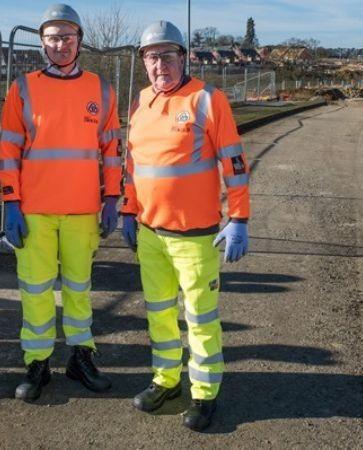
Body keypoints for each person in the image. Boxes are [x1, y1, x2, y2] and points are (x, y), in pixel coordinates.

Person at [121, 20, 250, 431]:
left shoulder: (207, 100)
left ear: (184, 57)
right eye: (152, 56)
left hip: (195, 237)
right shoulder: (140, 102)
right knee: (159, 314)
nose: (161, 64)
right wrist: (128, 209)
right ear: (144, 62)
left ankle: (204, 394)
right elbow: (132, 166)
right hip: (150, 233)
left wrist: (239, 218)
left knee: (199, 318)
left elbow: (234, 163)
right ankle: (166, 381)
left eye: (168, 55)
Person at [0, 3, 121, 402]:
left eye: (67, 37)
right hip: (34, 210)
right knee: (34, 289)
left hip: (83, 209)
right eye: (52, 37)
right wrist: (10, 202)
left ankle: (81, 356)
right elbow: (8, 150)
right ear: (42, 43)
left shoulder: (101, 90)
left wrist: (112, 197)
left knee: (79, 288)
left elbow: (113, 150)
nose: (60, 45)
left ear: (79, 41)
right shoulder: (23, 88)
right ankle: (37, 363)